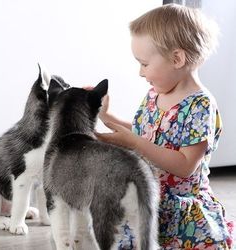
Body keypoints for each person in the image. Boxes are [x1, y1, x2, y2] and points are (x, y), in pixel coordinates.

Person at [96, 3, 234, 249]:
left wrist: (135, 143)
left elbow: (185, 166)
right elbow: (147, 133)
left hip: (180, 214)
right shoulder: (155, 94)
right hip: (148, 199)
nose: (140, 72)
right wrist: (108, 118)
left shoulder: (200, 105)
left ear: (177, 58)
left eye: (144, 64)